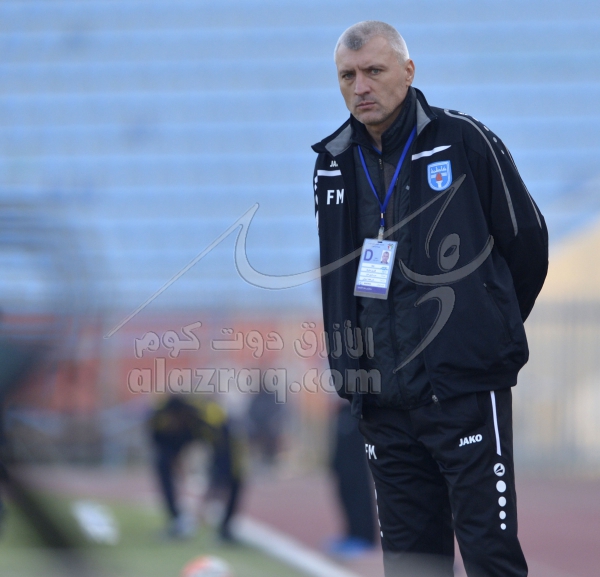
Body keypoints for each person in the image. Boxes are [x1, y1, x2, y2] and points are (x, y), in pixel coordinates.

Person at [311, 21, 548, 577]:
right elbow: (338, 279)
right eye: (347, 76)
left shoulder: (464, 141)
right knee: (412, 566)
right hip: (383, 403)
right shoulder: (331, 162)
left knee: (490, 558)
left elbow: (527, 243)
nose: (360, 87)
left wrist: (484, 331)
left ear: (408, 71)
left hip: (463, 391)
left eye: (374, 70)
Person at [149, 394, 243, 541]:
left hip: (221, 439)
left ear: (185, 414)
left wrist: (213, 490)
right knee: (161, 464)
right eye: (172, 420)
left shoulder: (210, 418)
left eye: (177, 419)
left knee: (235, 474)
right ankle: (176, 519)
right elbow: (159, 445)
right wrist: (175, 463)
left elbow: (224, 452)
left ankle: (226, 528)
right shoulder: (159, 418)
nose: (174, 423)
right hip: (181, 436)